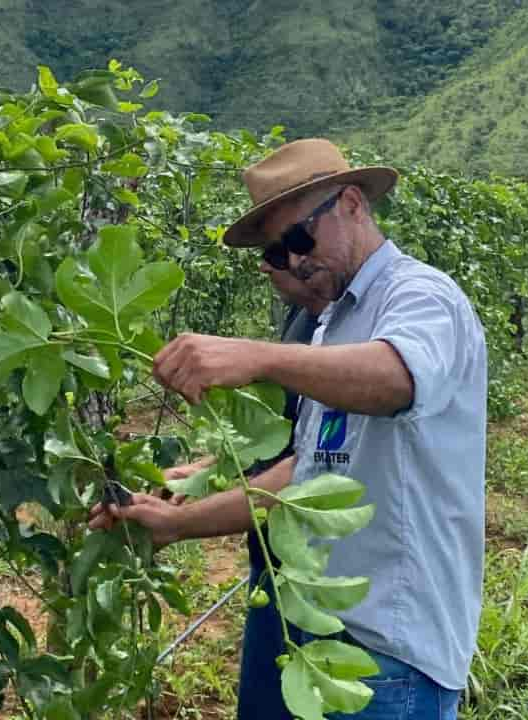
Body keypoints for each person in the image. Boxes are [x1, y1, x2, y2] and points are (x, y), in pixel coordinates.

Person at [92, 138, 487, 719]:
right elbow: (309, 475)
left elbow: (400, 378)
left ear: (352, 203)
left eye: (299, 238)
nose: (294, 263)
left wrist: (261, 357)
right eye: (277, 254)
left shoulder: (422, 296)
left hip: (388, 650)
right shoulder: (332, 323)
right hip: (309, 618)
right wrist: (180, 520)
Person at [164, 265, 326, 720]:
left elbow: (314, 466)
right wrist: (202, 472)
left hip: (320, 576)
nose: (265, 263)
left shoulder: (362, 329)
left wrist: (178, 526)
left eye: (281, 245)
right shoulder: (303, 316)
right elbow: (280, 435)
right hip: (273, 566)